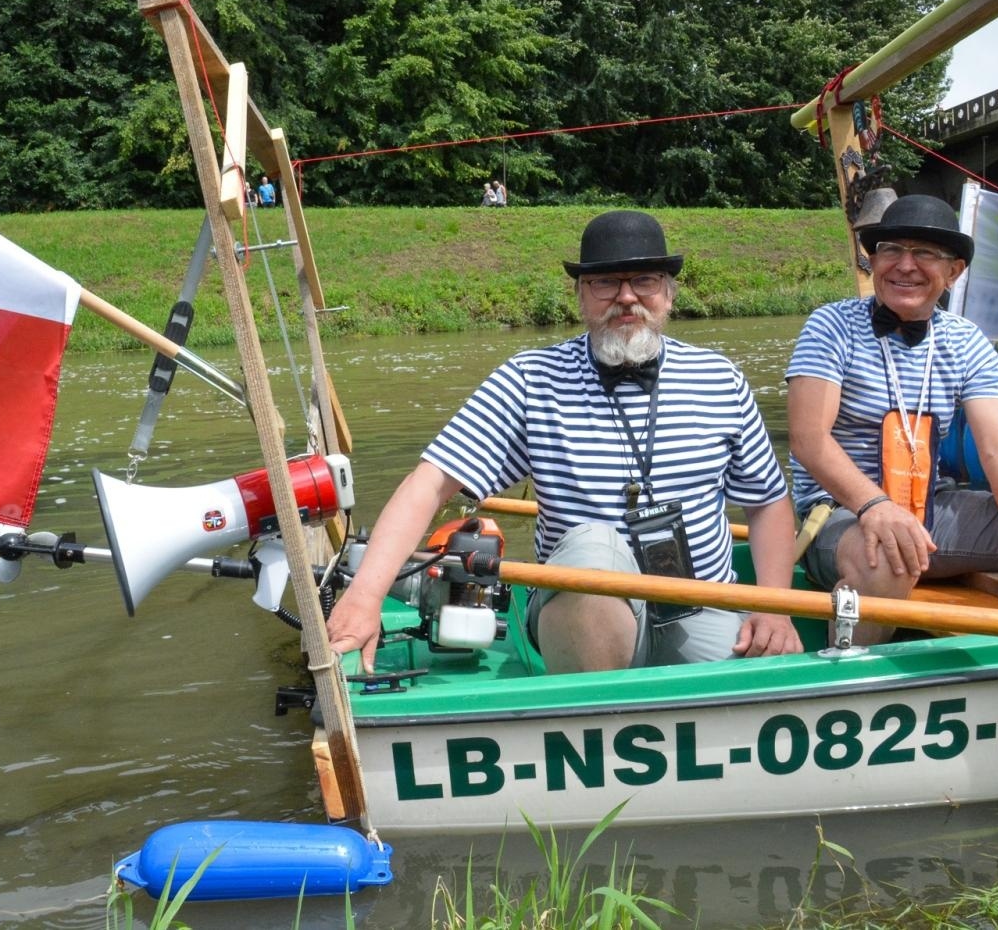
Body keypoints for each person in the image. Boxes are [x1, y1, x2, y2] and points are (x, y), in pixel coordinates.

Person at [327, 209, 800, 674]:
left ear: (669, 294)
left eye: (644, 281)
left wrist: (774, 609)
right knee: (594, 547)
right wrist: (365, 596)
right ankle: (599, 722)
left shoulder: (720, 378)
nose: (626, 297)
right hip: (578, 613)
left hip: (699, 608)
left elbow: (767, 502)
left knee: (783, 669)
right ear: (580, 295)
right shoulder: (531, 379)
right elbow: (428, 484)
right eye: (605, 283)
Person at [785, 194, 998, 645]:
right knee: (888, 558)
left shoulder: (965, 340)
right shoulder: (832, 326)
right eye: (891, 250)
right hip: (839, 514)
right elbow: (809, 440)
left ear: (954, 272)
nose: (905, 265)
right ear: (874, 261)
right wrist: (876, 506)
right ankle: (853, 688)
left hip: (930, 509)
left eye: (925, 253)